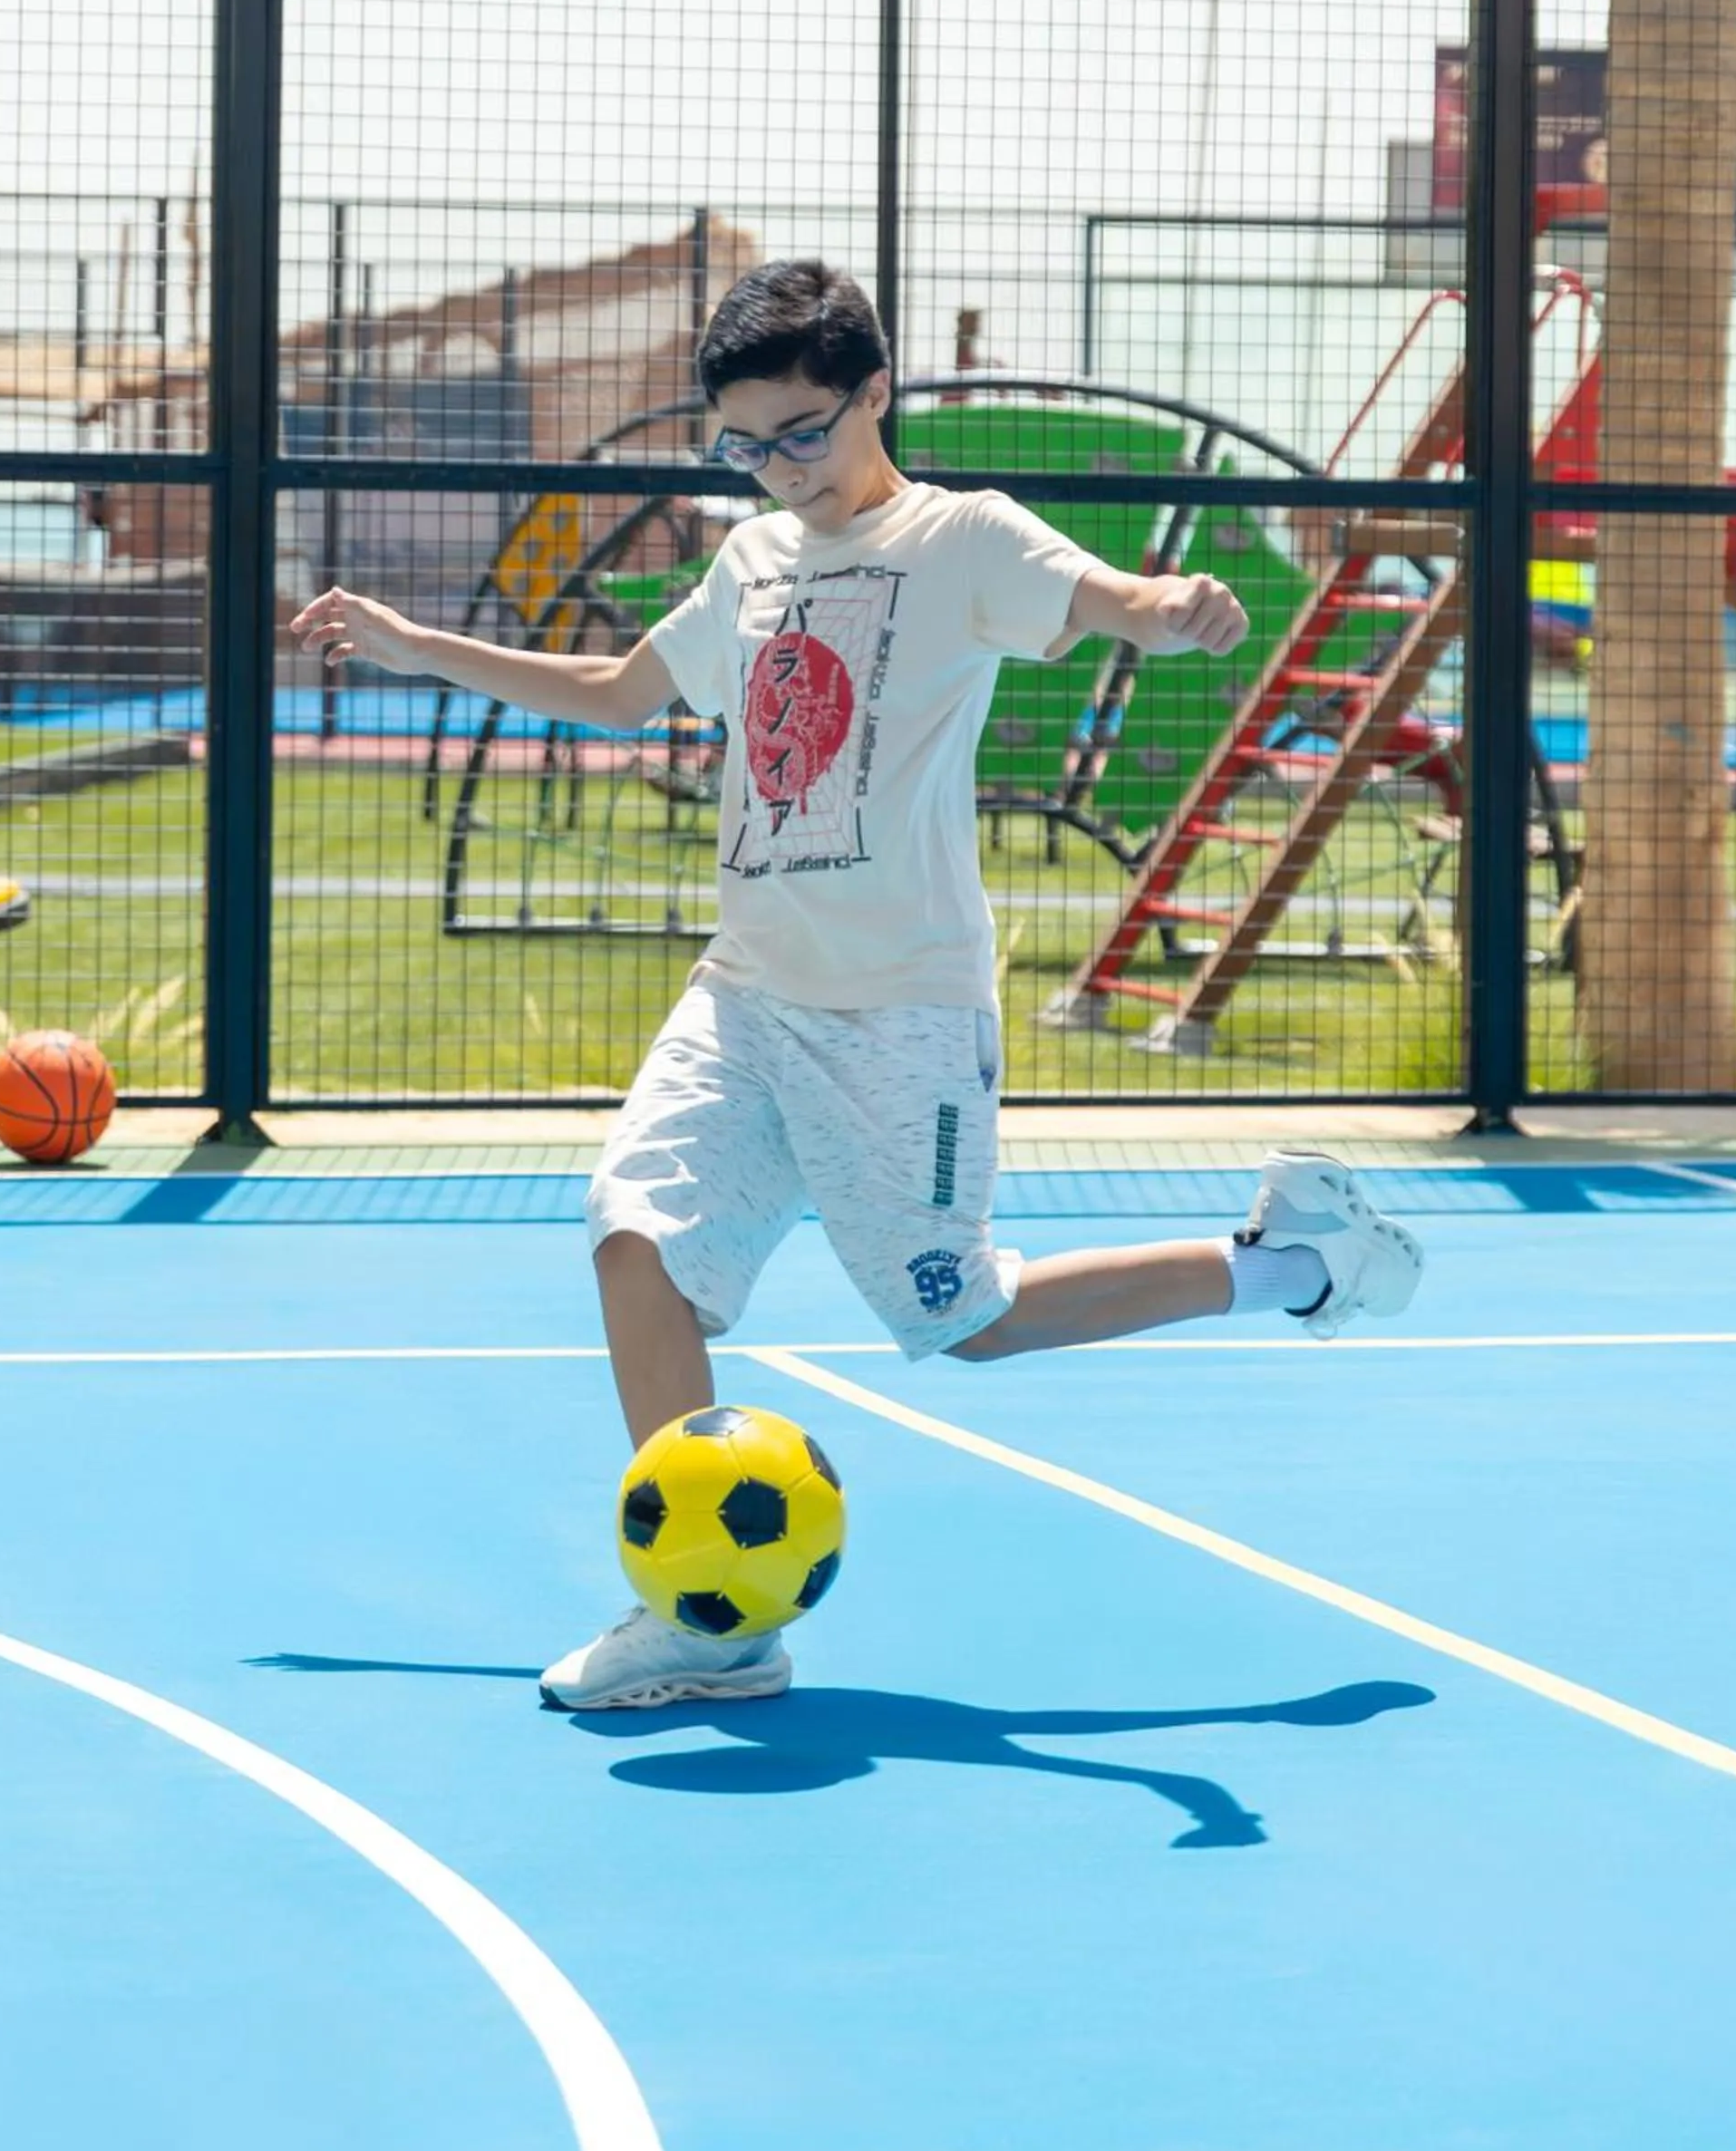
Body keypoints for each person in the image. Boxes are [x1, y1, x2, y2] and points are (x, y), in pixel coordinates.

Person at [292, 260, 1425, 1712]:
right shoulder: (752, 562)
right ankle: (714, 1623)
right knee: (636, 1238)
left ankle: (1297, 1261)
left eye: (802, 434)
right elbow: (624, 693)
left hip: (900, 1013)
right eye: (744, 446)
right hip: (746, 992)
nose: (777, 470)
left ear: (874, 391)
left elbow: (1101, 596)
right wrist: (410, 643)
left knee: (964, 1316)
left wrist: (1169, 608)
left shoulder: (962, 540)